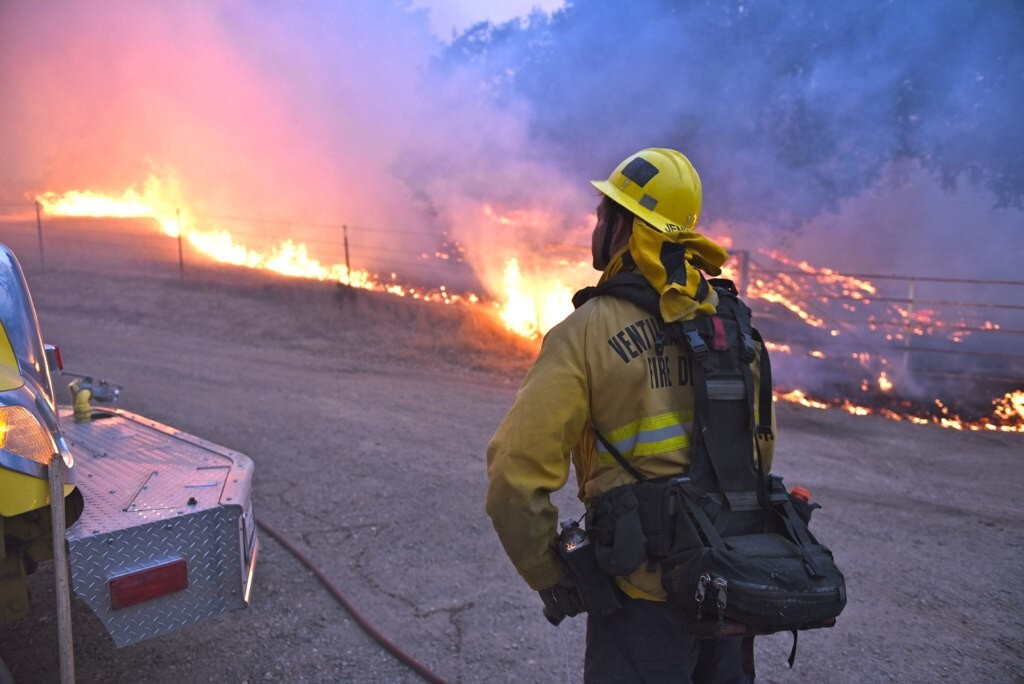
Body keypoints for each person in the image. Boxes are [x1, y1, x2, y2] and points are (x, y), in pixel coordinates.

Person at [485, 148, 775, 683]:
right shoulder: (732, 325)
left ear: (623, 225)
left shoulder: (587, 333)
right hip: (733, 583)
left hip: (644, 600)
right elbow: (759, 449)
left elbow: (514, 472)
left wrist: (552, 572)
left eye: (603, 211)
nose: (596, 222)